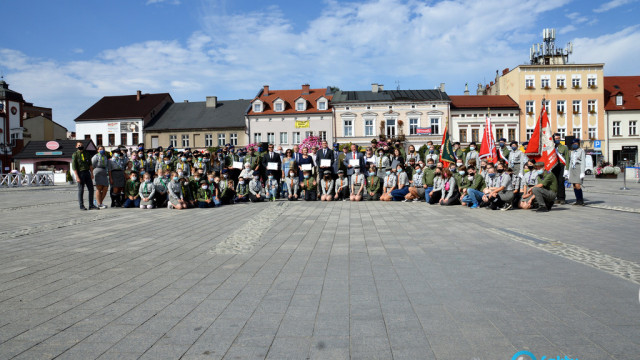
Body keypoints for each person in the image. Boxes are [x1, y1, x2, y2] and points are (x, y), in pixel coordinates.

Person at [71, 141, 97, 210]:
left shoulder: (87, 153)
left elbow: (90, 165)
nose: (80, 146)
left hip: (87, 173)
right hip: (80, 173)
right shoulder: (75, 154)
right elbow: (74, 167)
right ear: (76, 146)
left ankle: (91, 205)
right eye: (79, 145)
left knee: (91, 189)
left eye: (81, 145)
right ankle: (81, 205)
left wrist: (91, 173)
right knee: (81, 190)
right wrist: (77, 177)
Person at [551, 133, 570, 204]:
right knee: (555, 183)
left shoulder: (564, 147)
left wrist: (567, 169)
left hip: (562, 166)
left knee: (561, 182)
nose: (557, 140)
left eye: (558, 138)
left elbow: (567, 158)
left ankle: (562, 198)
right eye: (556, 139)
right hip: (554, 166)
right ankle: (556, 197)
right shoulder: (551, 148)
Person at [569, 138, 586, 206]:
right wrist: (568, 172)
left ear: (578, 144)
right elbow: (570, 161)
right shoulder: (572, 152)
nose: (574, 145)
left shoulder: (581, 151)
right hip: (573, 169)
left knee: (578, 185)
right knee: (574, 185)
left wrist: (582, 172)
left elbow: (583, 162)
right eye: (573, 144)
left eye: (575, 144)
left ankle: (581, 200)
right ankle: (577, 200)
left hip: (578, 168)